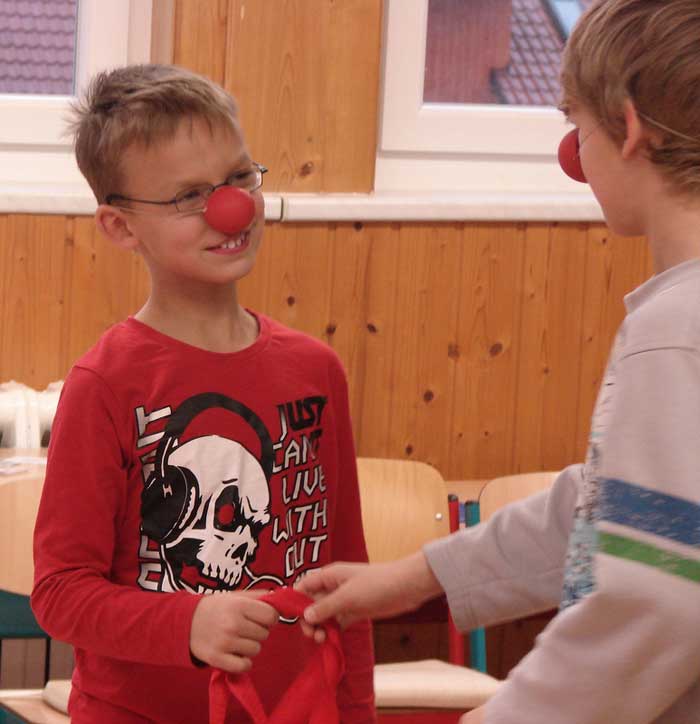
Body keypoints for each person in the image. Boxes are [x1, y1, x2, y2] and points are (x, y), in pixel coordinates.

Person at [298, 1, 700, 722]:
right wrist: (416, 576)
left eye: (576, 123)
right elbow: (619, 506)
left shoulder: (676, 330)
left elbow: (655, 600)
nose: (573, 151)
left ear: (630, 128)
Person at [31, 63, 374, 724]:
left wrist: (354, 713)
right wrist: (185, 624)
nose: (231, 208)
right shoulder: (106, 384)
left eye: (240, 178)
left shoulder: (317, 371)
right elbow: (61, 592)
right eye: (190, 196)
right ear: (121, 227)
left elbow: (345, 583)